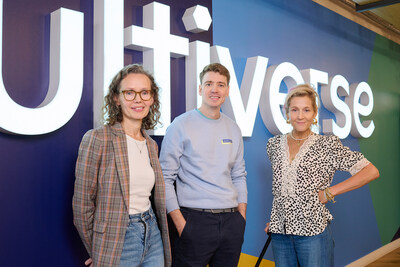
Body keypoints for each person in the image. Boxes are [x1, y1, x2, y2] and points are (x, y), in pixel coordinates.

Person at [264, 84, 380, 267]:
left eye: (306, 110)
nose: (300, 116)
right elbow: (282, 188)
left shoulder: (327, 145)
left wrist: (330, 192)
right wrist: (277, 218)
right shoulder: (273, 145)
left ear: (315, 112)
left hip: (313, 234)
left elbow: (371, 171)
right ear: (287, 112)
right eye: (294, 110)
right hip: (280, 235)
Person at [73, 64, 171, 267]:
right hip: (119, 237)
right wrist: (99, 250)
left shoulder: (151, 145)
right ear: (116, 99)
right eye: (129, 93)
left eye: (145, 92)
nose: (138, 99)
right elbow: (82, 206)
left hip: (152, 232)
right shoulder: (98, 138)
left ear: (152, 98)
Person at [159, 63, 247, 267]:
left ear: (227, 90)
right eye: (209, 84)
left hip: (232, 222)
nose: (214, 89)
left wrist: (241, 216)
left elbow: (239, 174)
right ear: (200, 89)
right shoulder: (180, 125)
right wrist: (181, 224)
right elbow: (164, 177)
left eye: (220, 85)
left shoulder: (233, 129)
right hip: (194, 221)